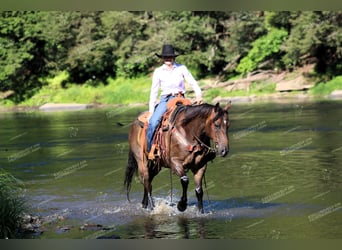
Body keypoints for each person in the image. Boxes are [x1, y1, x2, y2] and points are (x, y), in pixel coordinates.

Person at [146, 44, 203, 155]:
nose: (168, 59)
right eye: (166, 57)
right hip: (166, 99)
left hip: (181, 98)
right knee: (153, 122)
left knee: (198, 118)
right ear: (162, 58)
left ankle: (201, 147)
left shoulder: (181, 68)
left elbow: (192, 82)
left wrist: (198, 94)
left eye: (170, 56)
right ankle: (150, 150)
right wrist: (151, 111)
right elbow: (154, 91)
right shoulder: (158, 71)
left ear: (174, 57)